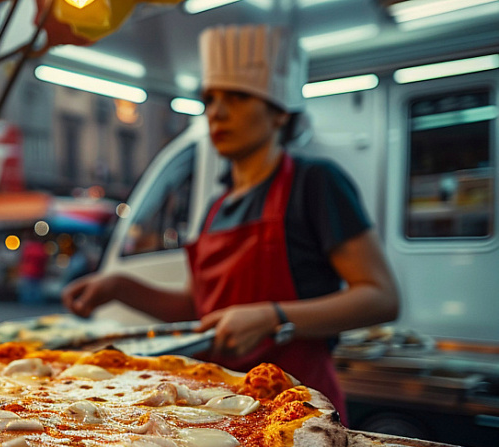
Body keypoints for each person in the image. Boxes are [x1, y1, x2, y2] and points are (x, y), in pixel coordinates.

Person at [61, 25, 400, 423]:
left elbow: (380, 297)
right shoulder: (217, 206)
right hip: (221, 405)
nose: (216, 113)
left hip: (299, 403)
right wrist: (118, 287)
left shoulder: (314, 182)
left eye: (237, 97)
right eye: (210, 99)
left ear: (279, 111)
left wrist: (273, 318)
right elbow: (200, 308)